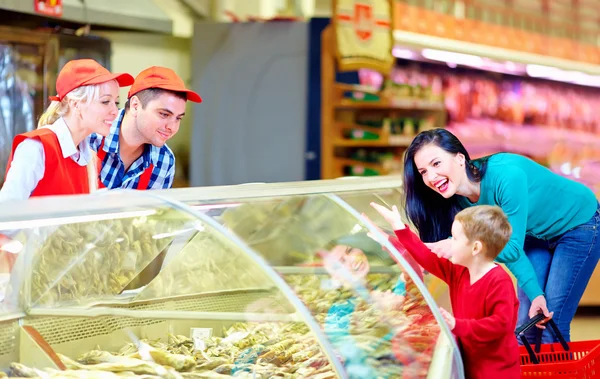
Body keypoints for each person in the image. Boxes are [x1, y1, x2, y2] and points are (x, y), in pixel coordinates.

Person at [402, 128, 600, 343]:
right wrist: (535, 294)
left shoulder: (506, 176)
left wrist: (460, 245)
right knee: (528, 321)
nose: (431, 177)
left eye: (436, 163)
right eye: (423, 171)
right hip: (534, 234)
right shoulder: (457, 202)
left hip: (579, 223)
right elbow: (507, 247)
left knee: (553, 321)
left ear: (459, 158)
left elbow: (510, 247)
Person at [370, 202, 521, 378]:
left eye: (455, 238)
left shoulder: (499, 281)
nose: (449, 243)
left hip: (497, 371)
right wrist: (398, 226)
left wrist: (458, 325)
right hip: (471, 363)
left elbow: (500, 325)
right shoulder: (459, 272)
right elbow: (427, 258)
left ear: (476, 248)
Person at [0, 59, 134, 200]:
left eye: (116, 102)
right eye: (105, 101)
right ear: (75, 104)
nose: (115, 110)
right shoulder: (36, 148)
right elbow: (7, 210)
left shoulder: (89, 158)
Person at [90, 66, 202, 190]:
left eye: (178, 118)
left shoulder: (164, 160)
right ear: (135, 106)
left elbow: (158, 209)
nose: (172, 127)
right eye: (164, 114)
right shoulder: (90, 139)